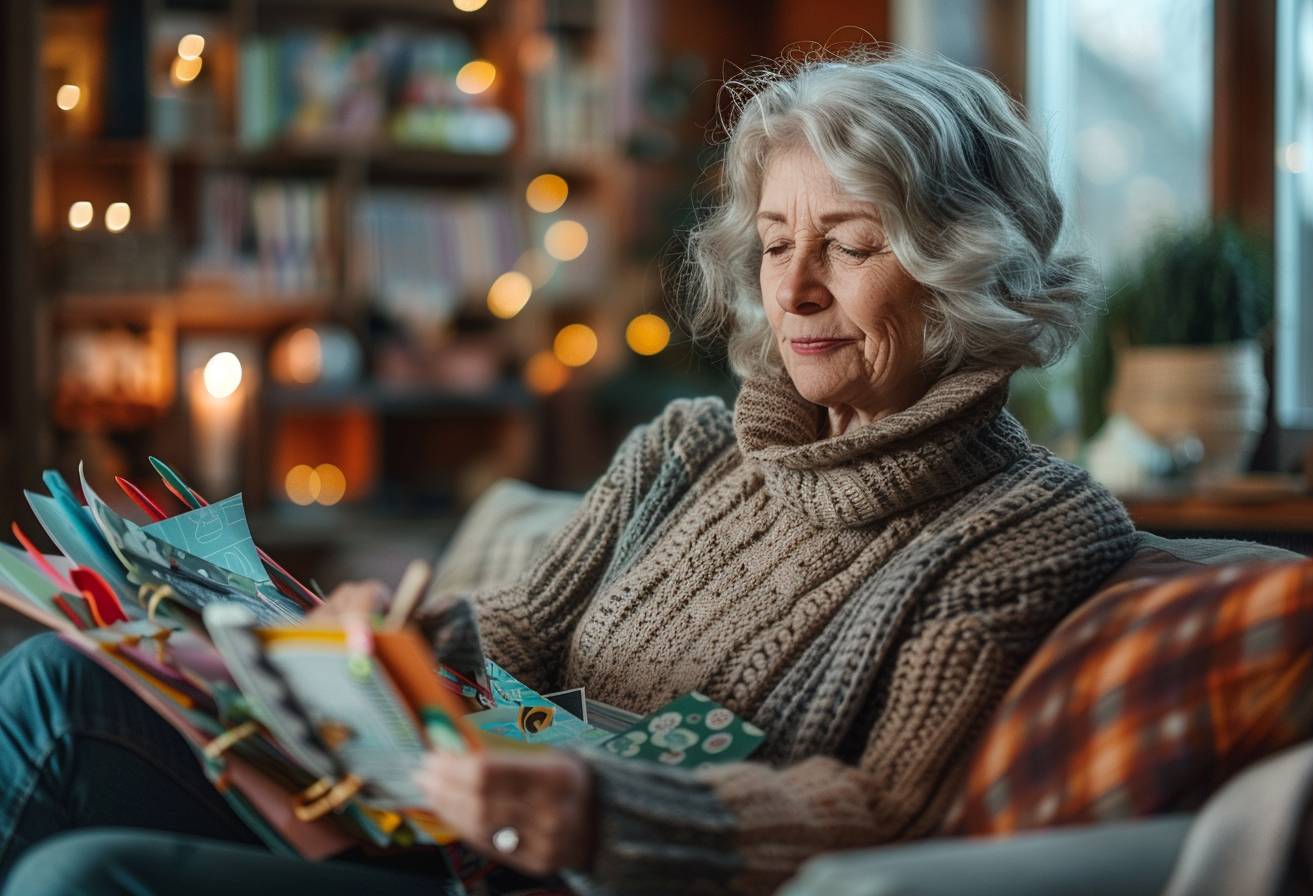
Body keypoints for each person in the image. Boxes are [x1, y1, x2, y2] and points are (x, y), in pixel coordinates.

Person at [0, 49, 1137, 895]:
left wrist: (600, 812)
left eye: (846, 244)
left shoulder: (1026, 528)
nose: (791, 293)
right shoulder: (688, 444)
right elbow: (514, 637)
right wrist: (383, 647)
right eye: (777, 242)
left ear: (965, 265)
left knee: (80, 875)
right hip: (443, 826)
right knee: (53, 678)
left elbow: (882, 807)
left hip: (580, 875)